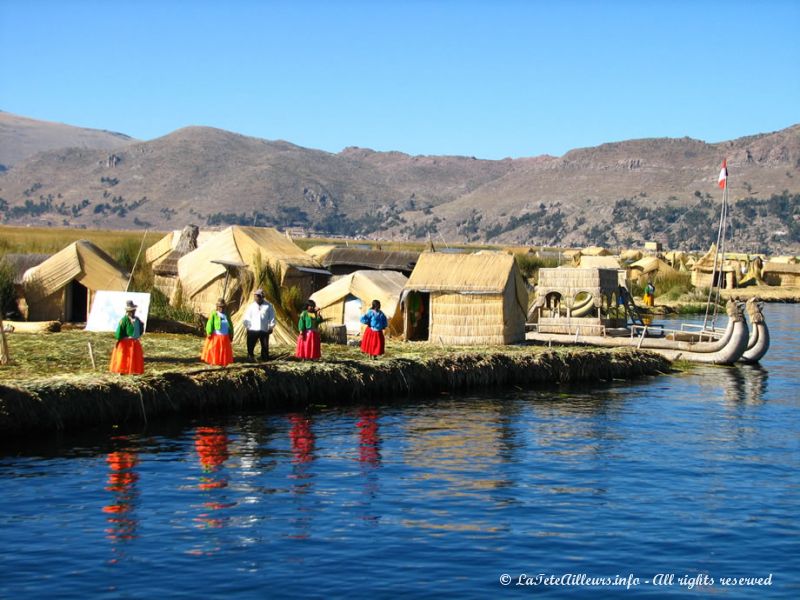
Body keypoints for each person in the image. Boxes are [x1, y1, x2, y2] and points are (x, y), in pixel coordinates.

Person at [109, 300, 144, 374]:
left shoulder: (137, 320)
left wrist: (140, 325)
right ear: (128, 311)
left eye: (133, 311)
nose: (132, 312)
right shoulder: (124, 320)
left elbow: (139, 332)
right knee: (124, 357)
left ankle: (134, 371)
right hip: (125, 343)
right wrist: (119, 338)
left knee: (135, 357)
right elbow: (119, 332)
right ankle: (122, 371)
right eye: (131, 311)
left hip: (134, 342)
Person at [242, 288, 276, 361]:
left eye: (258, 296)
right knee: (250, 344)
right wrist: (247, 326)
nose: (256, 297)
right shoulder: (251, 306)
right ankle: (250, 356)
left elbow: (272, 316)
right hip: (252, 329)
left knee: (265, 345)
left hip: (264, 329)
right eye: (255, 296)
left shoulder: (268, 306)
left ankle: (264, 357)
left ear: (262, 297)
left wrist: (271, 326)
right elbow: (247, 317)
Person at [201, 298, 234, 366]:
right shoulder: (214, 314)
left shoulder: (227, 315)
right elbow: (210, 323)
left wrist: (231, 334)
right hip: (216, 336)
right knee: (214, 349)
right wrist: (209, 332)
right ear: (217, 307)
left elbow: (230, 325)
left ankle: (221, 362)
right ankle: (214, 361)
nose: (221, 308)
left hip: (225, 337)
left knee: (223, 350)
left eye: (223, 307)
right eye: (220, 306)